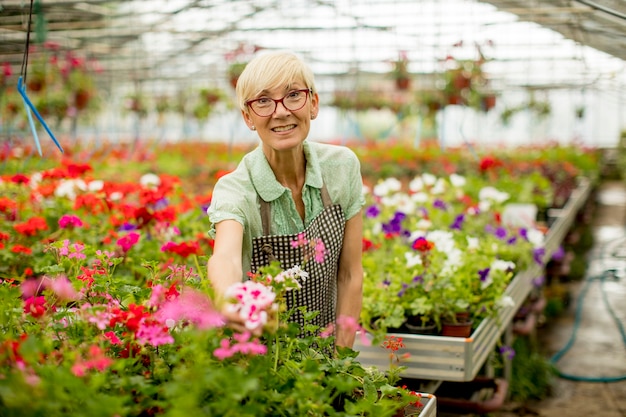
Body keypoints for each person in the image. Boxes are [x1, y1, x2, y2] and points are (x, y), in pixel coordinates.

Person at [206, 51, 365, 348]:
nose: (280, 112)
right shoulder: (235, 188)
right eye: (263, 101)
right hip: (264, 363)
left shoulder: (342, 167)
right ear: (248, 117)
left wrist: (341, 362)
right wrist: (227, 296)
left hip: (327, 354)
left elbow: (350, 274)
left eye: (293, 95)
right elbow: (225, 256)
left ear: (313, 104)